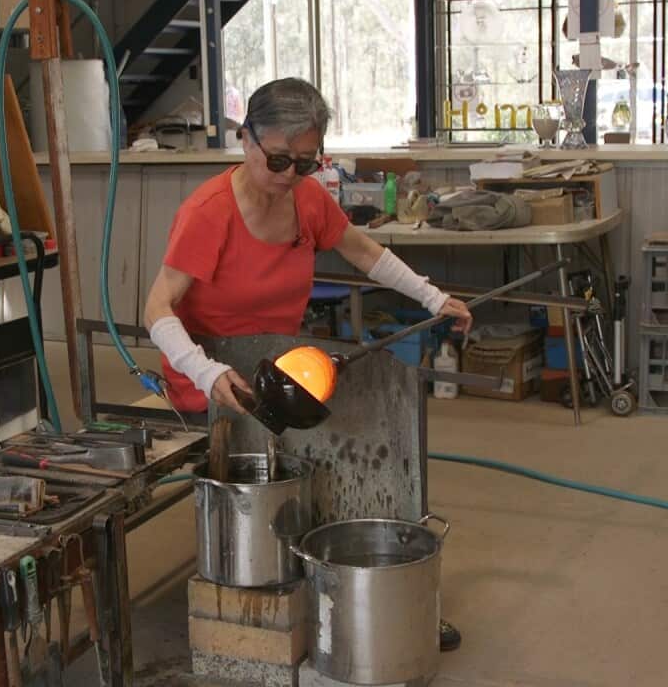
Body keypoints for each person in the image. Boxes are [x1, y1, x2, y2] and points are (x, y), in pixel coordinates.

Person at [143, 78, 469, 651]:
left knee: (383, 435)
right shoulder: (209, 212)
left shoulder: (308, 200)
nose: (291, 174)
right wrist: (206, 372)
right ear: (245, 141)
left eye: (305, 161)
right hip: (219, 373)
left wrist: (433, 297)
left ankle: (388, 593)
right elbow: (156, 307)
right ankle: (325, 586)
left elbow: (365, 252)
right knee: (334, 443)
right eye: (278, 160)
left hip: (282, 362)